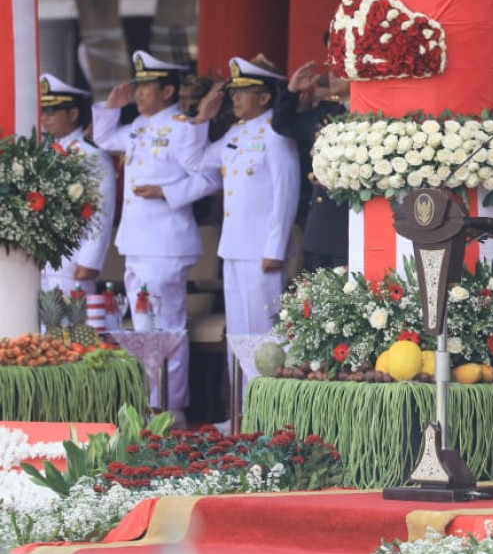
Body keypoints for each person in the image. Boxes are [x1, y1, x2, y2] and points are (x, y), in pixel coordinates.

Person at [93, 51, 210, 420]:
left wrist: (167, 192)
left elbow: (207, 175)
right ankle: (148, 404)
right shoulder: (140, 128)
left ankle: (171, 409)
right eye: (139, 85)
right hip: (136, 242)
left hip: (165, 243)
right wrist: (112, 108)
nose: (140, 92)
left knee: (166, 327)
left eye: (146, 86)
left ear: (168, 90)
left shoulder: (181, 128)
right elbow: (104, 137)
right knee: (143, 328)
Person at [189, 57, 301, 399]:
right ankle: (240, 410)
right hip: (234, 249)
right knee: (238, 334)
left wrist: (275, 248)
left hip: (261, 253)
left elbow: (286, 193)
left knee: (265, 336)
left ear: (265, 98)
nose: (235, 99)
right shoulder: (235, 134)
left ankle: (266, 409)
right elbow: (195, 163)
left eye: (244, 92)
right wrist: (201, 120)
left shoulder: (276, 134)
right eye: (234, 92)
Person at [37, 75, 117, 295]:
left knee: (68, 327)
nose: (44, 118)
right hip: (40, 259)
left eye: (51, 112)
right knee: (38, 328)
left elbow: (101, 210)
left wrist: (91, 260)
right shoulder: (42, 150)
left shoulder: (91, 154)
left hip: (72, 261)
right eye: (42, 111)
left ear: (72, 113)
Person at [272, 57, 350, 270]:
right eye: (331, 68)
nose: (331, 74)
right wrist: (292, 90)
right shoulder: (327, 113)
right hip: (321, 227)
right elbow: (282, 125)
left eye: (340, 68)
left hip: (350, 224)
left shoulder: (369, 113)